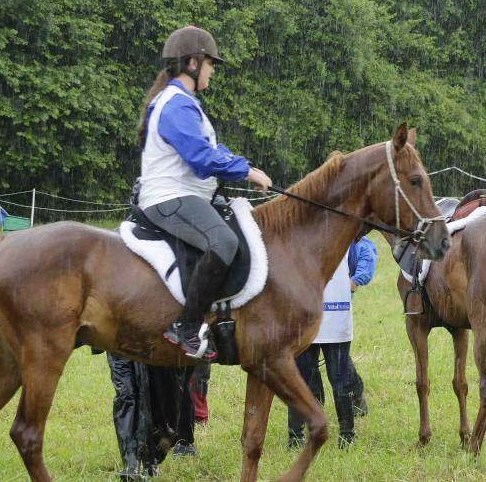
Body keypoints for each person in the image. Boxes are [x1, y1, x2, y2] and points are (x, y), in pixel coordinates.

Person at [136, 26, 272, 360]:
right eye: (210, 64)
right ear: (193, 63)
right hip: (170, 197)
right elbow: (200, 158)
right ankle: (186, 327)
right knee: (224, 242)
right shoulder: (176, 105)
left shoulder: (184, 103)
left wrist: (244, 164)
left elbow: (212, 148)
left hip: (186, 195)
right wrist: (247, 172)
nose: (212, 71)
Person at [287, 236, 377, 449]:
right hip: (305, 318)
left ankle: (347, 435)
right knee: (301, 379)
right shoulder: (300, 233)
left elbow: (366, 252)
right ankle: (295, 436)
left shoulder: (348, 235)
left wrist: (353, 284)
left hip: (335, 318)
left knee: (341, 380)